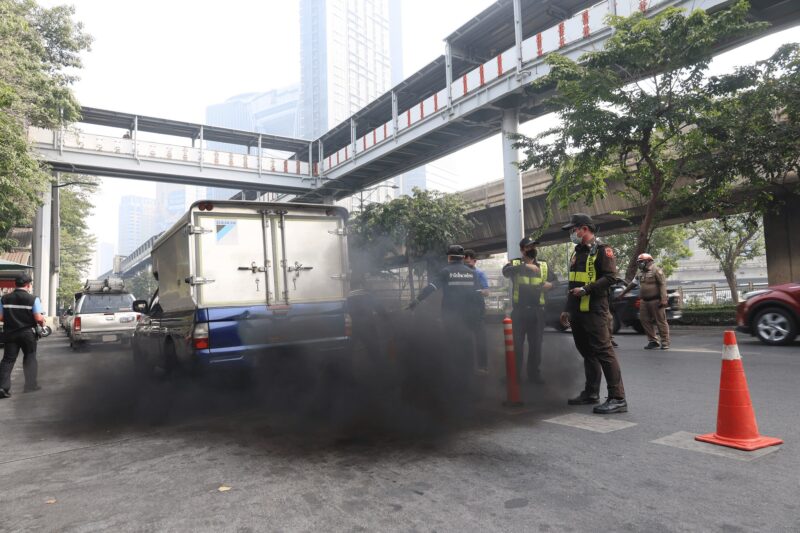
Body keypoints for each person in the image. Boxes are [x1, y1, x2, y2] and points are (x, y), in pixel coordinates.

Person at [560, 214, 627, 414]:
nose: (572, 233)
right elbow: (573, 283)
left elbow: (611, 277)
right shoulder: (577, 252)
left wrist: (587, 290)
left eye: (574, 230)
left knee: (604, 352)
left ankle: (617, 398)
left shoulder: (602, 250)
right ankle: (591, 393)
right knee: (587, 352)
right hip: (578, 312)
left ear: (585, 229)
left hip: (595, 310)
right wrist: (567, 309)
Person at [408, 245, 482, 383]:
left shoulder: (446, 272)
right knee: (467, 347)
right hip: (468, 317)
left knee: (452, 346)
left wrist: (417, 300)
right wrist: (478, 318)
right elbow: (478, 297)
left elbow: (431, 288)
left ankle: (453, 379)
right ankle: (469, 379)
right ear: (462, 258)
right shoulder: (472, 273)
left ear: (449, 258)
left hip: (451, 317)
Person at [502, 236, 555, 384]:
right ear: (522, 250)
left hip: (537, 312)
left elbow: (555, 281)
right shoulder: (515, 263)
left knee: (536, 346)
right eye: (528, 247)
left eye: (533, 246)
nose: (532, 249)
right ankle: (514, 376)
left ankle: (534, 375)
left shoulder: (544, 265)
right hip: (519, 312)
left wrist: (551, 285)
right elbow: (505, 272)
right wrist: (526, 267)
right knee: (516, 346)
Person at [0, 273, 45, 398]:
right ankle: (30, 386)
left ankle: (2, 388)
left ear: (15, 284)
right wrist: (42, 322)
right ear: (28, 284)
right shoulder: (33, 299)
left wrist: (12, 320)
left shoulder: (5, 298)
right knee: (30, 357)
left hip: (10, 333)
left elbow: (1, 317)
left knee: (8, 360)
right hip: (27, 333)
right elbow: (38, 317)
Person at [618, 253, 670, 350]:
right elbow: (632, 284)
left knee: (661, 321)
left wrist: (663, 299)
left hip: (656, 300)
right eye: (639, 262)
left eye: (641, 262)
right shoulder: (640, 273)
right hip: (644, 301)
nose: (640, 264)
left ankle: (665, 342)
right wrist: (622, 293)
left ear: (648, 261)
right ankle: (653, 341)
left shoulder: (657, 271)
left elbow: (662, 285)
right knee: (644, 320)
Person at [463, 249, 490, 372]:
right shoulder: (460, 274)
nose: (467, 265)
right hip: (463, 310)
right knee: (464, 339)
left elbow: (486, 292)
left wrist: (479, 292)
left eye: (469, 263)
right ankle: (466, 366)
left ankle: (482, 366)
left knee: (480, 339)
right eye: (465, 263)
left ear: (475, 261)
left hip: (477, 310)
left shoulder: (480, 274)